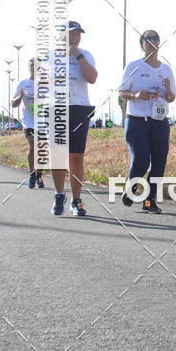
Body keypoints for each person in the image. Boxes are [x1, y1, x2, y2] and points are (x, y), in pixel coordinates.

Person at [119, 29, 176, 213]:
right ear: (142, 45)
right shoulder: (134, 66)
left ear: (159, 43)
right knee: (141, 160)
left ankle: (149, 201)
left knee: (159, 161)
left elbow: (171, 97)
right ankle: (131, 187)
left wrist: (168, 89)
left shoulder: (166, 69)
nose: (152, 42)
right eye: (148, 39)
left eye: (155, 38)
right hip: (137, 120)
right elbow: (121, 91)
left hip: (159, 120)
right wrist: (136, 94)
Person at [46, 21, 97, 216]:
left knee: (76, 155)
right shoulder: (51, 56)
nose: (75, 38)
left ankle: (76, 200)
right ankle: (59, 194)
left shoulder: (85, 54)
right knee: (58, 154)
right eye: (70, 34)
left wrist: (78, 55)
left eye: (78, 34)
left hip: (79, 108)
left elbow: (92, 78)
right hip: (57, 107)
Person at [12, 58, 45, 188]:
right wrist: (20, 97)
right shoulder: (23, 84)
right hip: (29, 122)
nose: (33, 67)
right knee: (33, 146)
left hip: (43, 122)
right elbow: (13, 104)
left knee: (41, 150)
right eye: (31, 64)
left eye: (36, 65)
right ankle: (32, 174)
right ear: (29, 67)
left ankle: (39, 176)